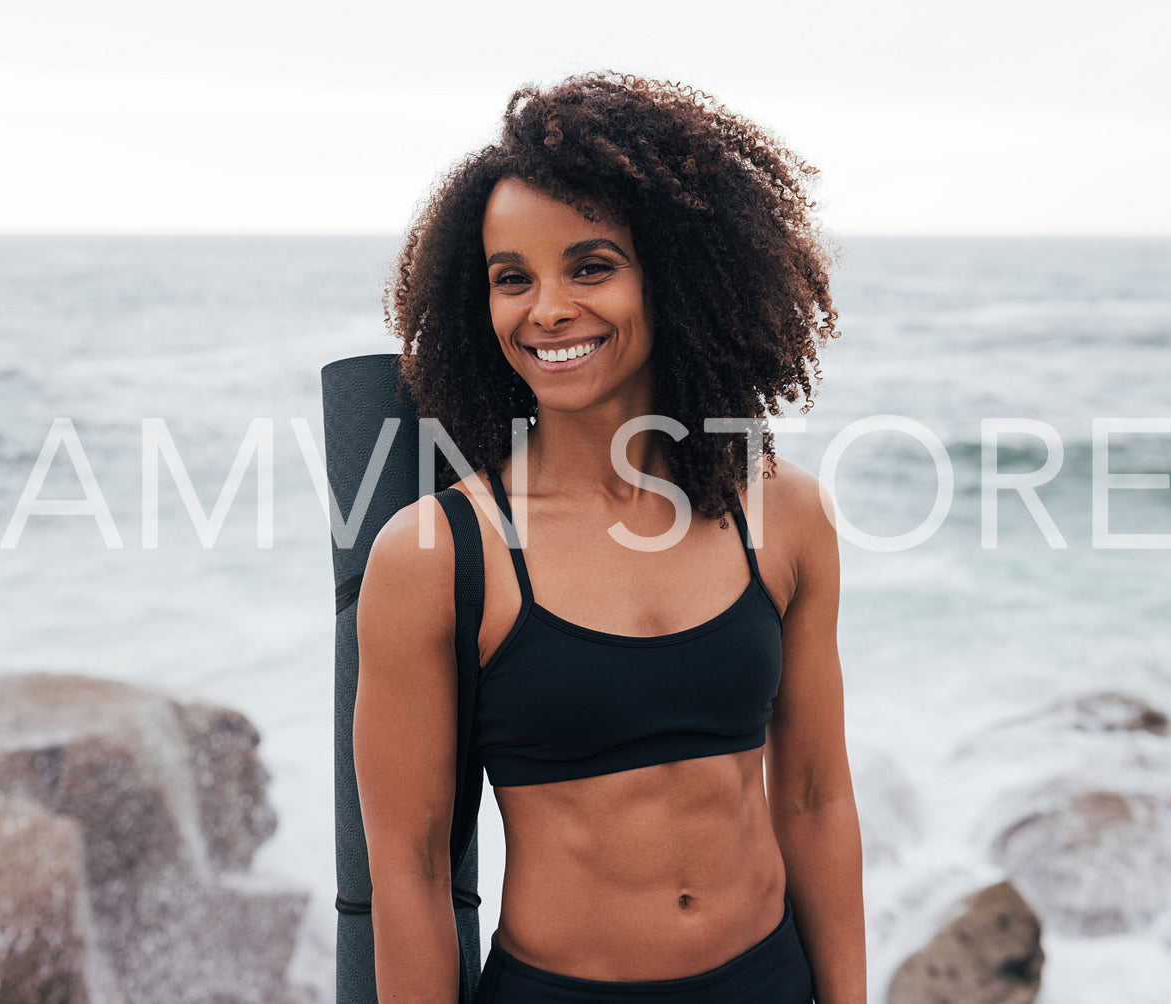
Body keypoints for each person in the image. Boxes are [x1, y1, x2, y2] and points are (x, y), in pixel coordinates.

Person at [355, 71, 865, 1002]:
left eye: (590, 267)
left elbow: (815, 800)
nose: (546, 308)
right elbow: (413, 874)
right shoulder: (437, 554)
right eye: (513, 279)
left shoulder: (784, 516)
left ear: (675, 279)